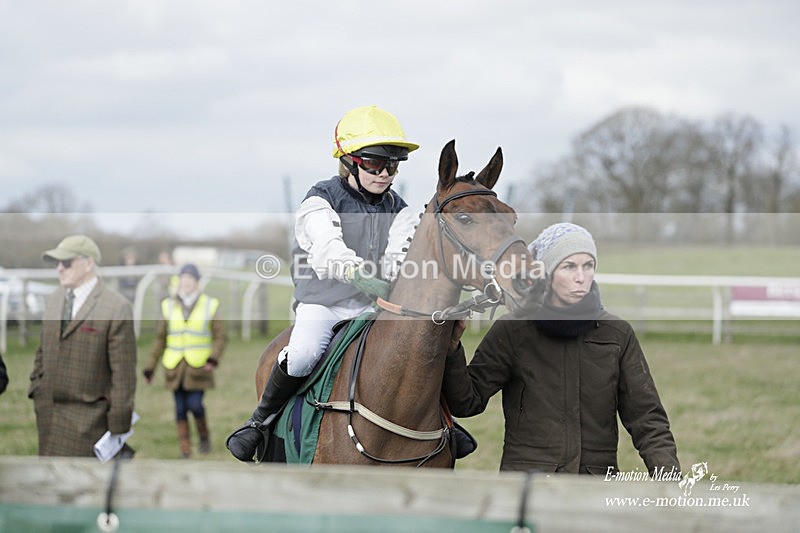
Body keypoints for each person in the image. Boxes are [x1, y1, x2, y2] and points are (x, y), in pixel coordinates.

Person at [227, 105, 420, 461]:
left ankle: (442, 428)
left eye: (392, 165)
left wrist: (390, 280)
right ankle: (258, 424)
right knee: (301, 355)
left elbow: (398, 256)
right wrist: (361, 275)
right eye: (375, 164)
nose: (385, 174)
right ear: (349, 162)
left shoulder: (402, 210)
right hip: (324, 303)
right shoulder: (319, 200)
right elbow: (329, 250)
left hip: (372, 307)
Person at [442, 223, 680, 476]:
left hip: (594, 489)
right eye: (569, 267)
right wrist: (453, 349)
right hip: (527, 487)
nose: (581, 277)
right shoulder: (513, 331)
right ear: (547, 273)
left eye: (588, 266)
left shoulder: (617, 334)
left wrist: (671, 484)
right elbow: (466, 402)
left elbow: (648, 420)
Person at [28, 235, 137, 457]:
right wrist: (37, 388)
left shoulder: (116, 308)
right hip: (48, 416)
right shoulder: (53, 301)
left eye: (66, 263)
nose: (59, 269)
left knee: (83, 488)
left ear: (89, 263)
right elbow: (43, 349)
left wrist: (117, 427)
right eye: (57, 263)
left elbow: (123, 375)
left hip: (90, 423)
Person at [144, 263, 226, 458]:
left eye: (190, 279)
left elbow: (220, 336)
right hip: (174, 368)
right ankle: (185, 447)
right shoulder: (168, 305)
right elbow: (160, 339)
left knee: (196, 405)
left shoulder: (210, 304)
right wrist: (150, 367)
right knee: (180, 408)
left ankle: (204, 437)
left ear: (197, 282)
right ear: (179, 281)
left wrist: (213, 358)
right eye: (183, 279)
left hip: (198, 367)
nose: (186, 283)